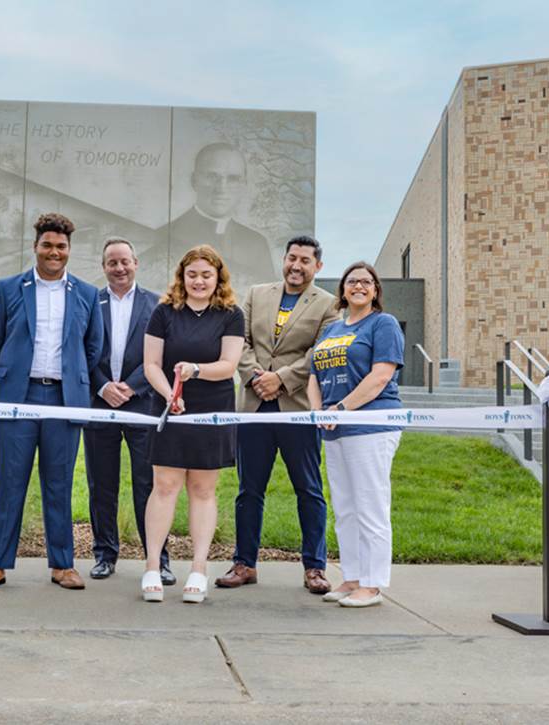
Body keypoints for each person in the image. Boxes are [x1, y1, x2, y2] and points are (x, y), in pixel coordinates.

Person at [0, 213, 103, 592]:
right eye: (47, 245)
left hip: (64, 400)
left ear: (69, 250)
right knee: (10, 483)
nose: (54, 252)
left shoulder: (86, 294)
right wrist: (14, 373)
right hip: (20, 397)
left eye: (61, 246)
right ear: (35, 247)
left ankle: (63, 564)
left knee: (59, 484)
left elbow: (91, 348)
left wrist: (71, 378)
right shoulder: (9, 287)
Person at [217, 236, 339, 594]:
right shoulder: (256, 294)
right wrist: (257, 377)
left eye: (304, 260)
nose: (296, 265)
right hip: (254, 407)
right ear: (283, 260)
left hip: (297, 410)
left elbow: (320, 352)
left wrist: (281, 380)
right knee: (248, 490)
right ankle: (244, 563)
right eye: (291, 258)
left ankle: (315, 567)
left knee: (309, 490)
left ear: (318, 266)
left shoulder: (328, 305)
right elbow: (241, 342)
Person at [141, 244, 244, 604]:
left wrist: (196, 370)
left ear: (218, 278)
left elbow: (229, 365)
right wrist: (171, 393)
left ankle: (199, 569)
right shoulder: (164, 312)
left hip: (212, 405)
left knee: (202, 488)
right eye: (192, 274)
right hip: (171, 404)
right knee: (165, 485)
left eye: (206, 274)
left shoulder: (231, 314)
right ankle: (152, 566)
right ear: (182, 277)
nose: (199, 281)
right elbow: (151, 363)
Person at [306, 261, 404, 608]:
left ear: (376, 289)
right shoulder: (331, 331)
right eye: (352, 281)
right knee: (346, 507)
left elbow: (380, 376)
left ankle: (373, 584)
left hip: (370, 426)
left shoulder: (383, 324)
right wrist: (320, 412)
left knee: (370, 505)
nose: (359, 286)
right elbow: (313, 376)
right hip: (334, 429)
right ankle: (352, 577)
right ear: (343, 290)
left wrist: (342, 408)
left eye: (366, 281)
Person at [83, 237, 173, 584]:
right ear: (103, 266)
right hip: (99, 404)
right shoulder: (90, 301)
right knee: (101, 484)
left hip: (143, 406)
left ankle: (157, 558)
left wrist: (132, 386)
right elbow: (79, 350)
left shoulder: (158, 305)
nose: (119, 268)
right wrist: (103, 385)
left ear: (136, 262)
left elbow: (161, 356)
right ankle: (105, 554)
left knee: (148, 485)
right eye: (112, 263)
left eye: (125, 261)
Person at [158, 143, 275, 287]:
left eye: (232, 178)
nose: (222, 188)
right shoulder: (164, 237)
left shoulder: (256, 244)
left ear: (244, 184)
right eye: (212, 176)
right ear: (194, 181)